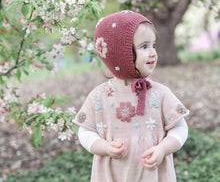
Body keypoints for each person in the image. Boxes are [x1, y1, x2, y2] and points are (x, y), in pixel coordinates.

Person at [73, 11, 189, 182]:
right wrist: (104, 147)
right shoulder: (99, 97)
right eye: (144, 46)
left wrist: (163, 148)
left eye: (153, 45)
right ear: (120, 54)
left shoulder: (159, 93)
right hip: (112, 175)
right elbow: (85, 132)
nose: (153, 53)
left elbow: (180, 127)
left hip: (153, 175)